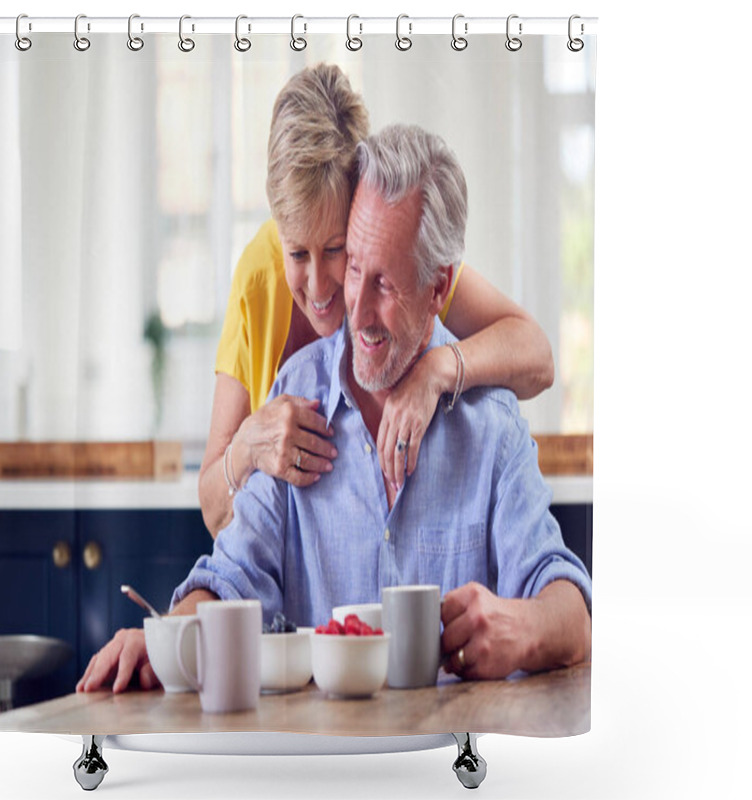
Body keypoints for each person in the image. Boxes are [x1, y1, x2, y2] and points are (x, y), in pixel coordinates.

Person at [77, 125, 590, 694]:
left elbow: (568, 607)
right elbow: (231, 578)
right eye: (354, 271)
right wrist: (168, 636)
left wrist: (524, 627)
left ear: (439, 287)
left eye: (386, 285)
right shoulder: (296, 393)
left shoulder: (490, 423)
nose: (357, 310)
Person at [199, 63, 554, 537]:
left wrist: (435, 371)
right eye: (297, 253)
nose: (322, 286)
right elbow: (212, 510)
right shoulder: (259, 276)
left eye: (336, 250)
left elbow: (536, 357)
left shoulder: (391, 275)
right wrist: (247, 446)